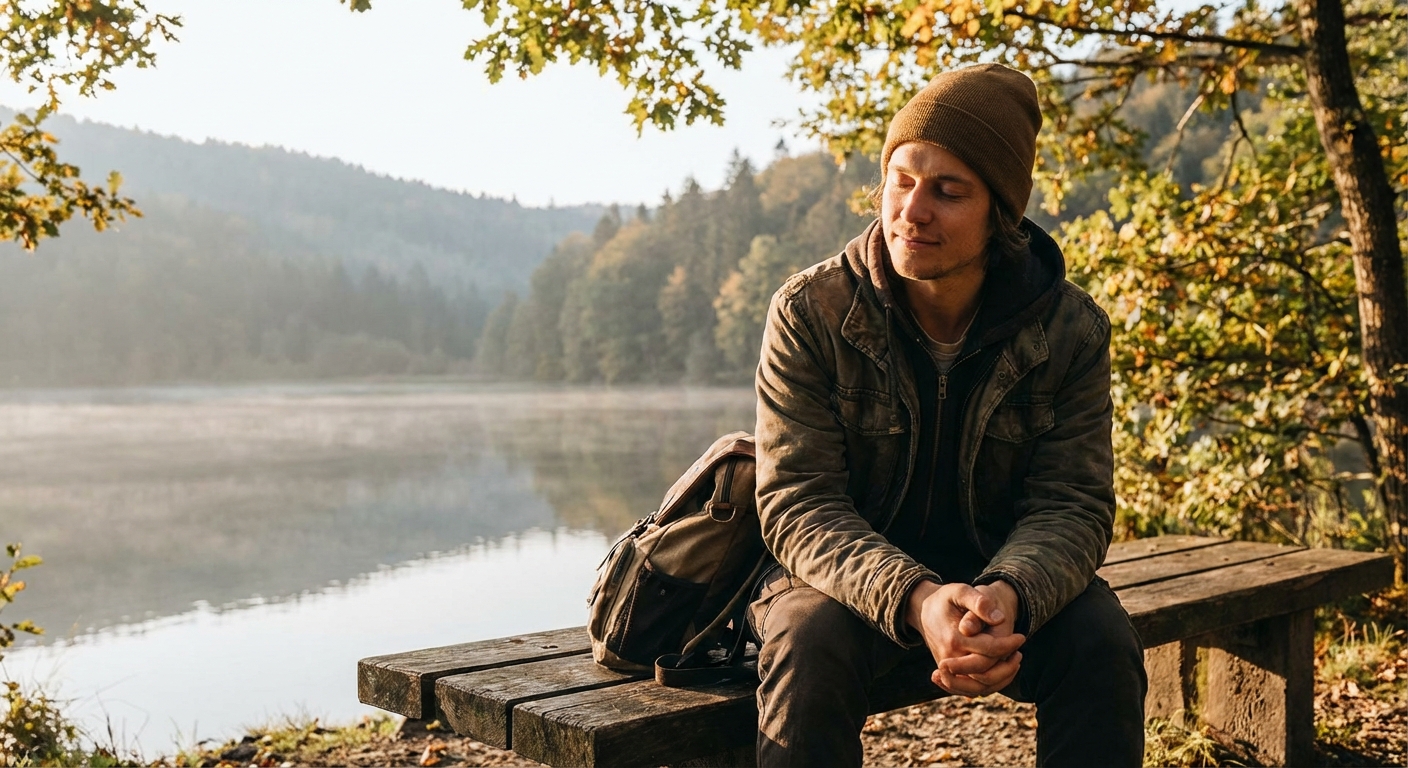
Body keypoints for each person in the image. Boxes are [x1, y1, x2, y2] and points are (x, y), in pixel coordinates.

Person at [750, 63, 1148, 767]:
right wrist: (917, 597)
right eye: (901, 180)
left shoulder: (1070, 331)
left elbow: (1074, 505)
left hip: (997, 583)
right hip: (847, 584)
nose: (912, 210)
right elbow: (797, 503)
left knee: (1102, 640)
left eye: (948, 190)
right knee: (804, 642)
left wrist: (1007, 594)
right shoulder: (811, 312)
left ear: (1001, 214)